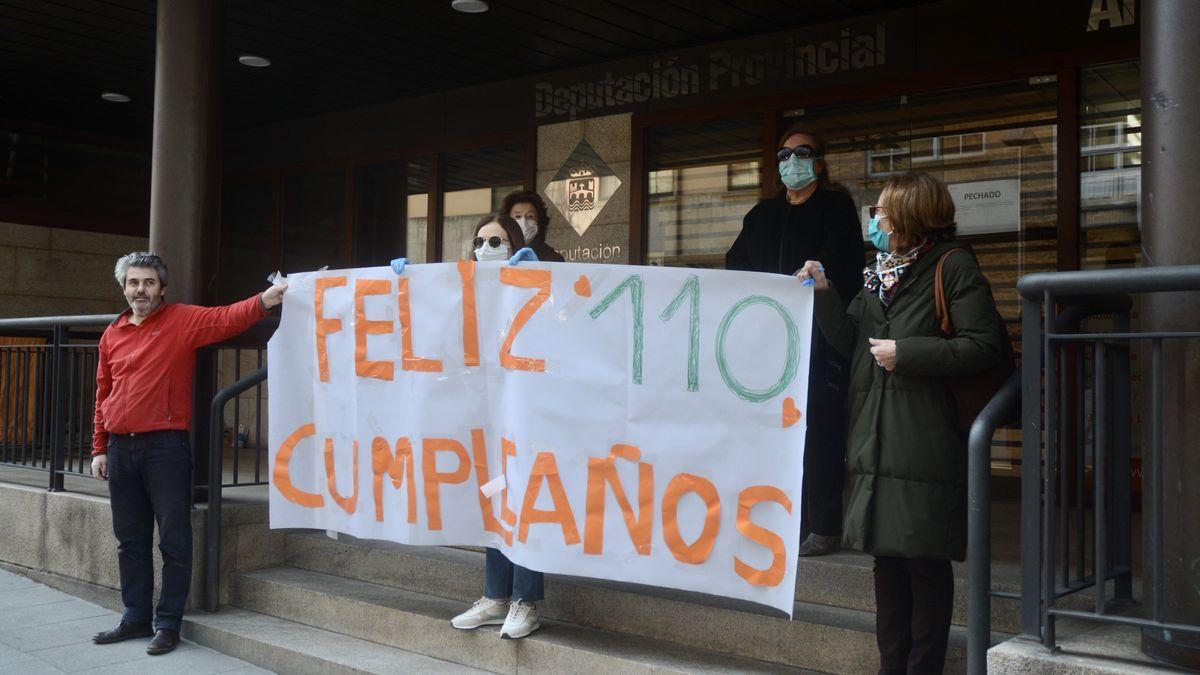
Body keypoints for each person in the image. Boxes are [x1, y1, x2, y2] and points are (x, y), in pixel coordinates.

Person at [797, 172, 1004, 674]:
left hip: (924, 437)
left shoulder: (953, 268)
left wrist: (907, 354)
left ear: (911, 217)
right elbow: (850, 344)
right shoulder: (877, 273)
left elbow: (984, 346)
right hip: (874, 434)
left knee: (924, 561)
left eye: (884, 212)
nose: (876, 219)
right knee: (886, 563)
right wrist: (823, 292)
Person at [90, 252, 287, 655]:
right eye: (133, 283)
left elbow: (227, 317)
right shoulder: (113, 333)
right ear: (124, 288)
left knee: (175, 541)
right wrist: (98, 448)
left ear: (162, 287)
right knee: (130, 541)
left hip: (165, 448)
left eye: (148, 282)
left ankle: (168, 624)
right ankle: (135, 617)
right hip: (120, 447)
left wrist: (266, 300)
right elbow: (103, 392)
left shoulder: (181, 320)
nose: (140, 290)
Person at [391, 214, 545, 639]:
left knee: (525, 501)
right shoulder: (461, 291)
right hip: (483, 417)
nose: (486, 248)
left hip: (527, 416)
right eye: (480, 241)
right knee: (495, 501)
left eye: (497, 241)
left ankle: (525, 601)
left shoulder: (535, 282)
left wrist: (538, 277)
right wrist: (402, 288)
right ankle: (497, 597)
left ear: (514, 246)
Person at [725, 123, 864, 557]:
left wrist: (813, 282)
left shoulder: (836, 208)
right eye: (783, 156)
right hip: (769, 341)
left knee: (820, 430)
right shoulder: (762, 214)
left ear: (818, 162)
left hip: (819, 339)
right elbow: (736, 264)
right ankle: (783, 520)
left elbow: (845, 267)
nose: (792, 162)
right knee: (772, 432)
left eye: (801, 153)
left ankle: (823, 524)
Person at [501, 190, 564, 262]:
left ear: (539, 223)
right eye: (518, 216)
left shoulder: (552, 258)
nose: (524, 222)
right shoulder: (498, 251)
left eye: (530, 216)